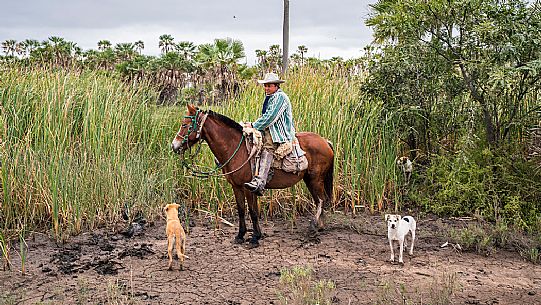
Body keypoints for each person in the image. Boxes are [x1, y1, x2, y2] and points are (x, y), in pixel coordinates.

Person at [244, 72, 296, 196]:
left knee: (268, 147)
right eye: (265, 86)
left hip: (279, 132)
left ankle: (260, 182)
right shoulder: (271, 96)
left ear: (276, 86)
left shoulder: (280, 97)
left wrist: (254, 125)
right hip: (269, 129)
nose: (266, 88)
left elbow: (270, 117)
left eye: (269, 85)